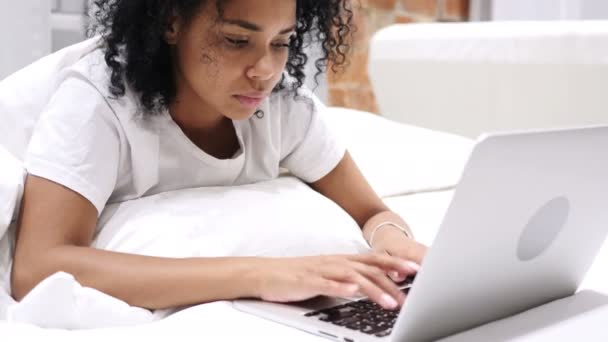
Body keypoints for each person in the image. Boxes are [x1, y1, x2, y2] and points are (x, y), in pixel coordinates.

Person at [11, 0, 428, 312]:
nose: (265, 69)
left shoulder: (283, 106)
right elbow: (37, 269)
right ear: (171, 22)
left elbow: (372, 213)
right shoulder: (98, 103)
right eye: (237, 41)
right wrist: (264, 274)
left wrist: (394, 242)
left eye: (282, 42)